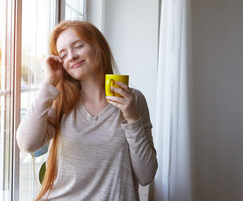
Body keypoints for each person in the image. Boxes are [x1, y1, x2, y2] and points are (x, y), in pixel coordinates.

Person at [17, 20, 157, 201]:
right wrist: (49, 83)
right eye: (63, 54)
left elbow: (146, 176)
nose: (72, 56)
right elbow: (27, 144)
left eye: (78, 46)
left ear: (98, 46)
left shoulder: (133, 100)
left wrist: (131, 117)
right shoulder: (61, 102)